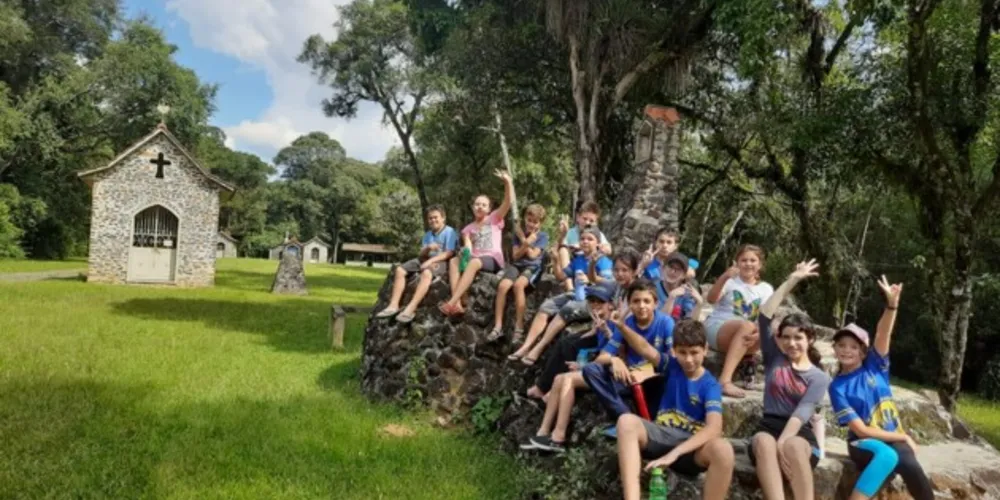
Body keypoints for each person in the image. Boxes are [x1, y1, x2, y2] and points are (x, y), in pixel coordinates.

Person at [829, 277, 933, 500]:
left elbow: (882, 333)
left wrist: (892, 305)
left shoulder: (875, 368)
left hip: (892, 438)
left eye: (853, 347)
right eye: (841, 345)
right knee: (890, 456)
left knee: (908, 463)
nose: (847, 350)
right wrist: (903, 437)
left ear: (863, 352)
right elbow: (861, 431)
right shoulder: (837, 386)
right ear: (835, 349)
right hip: (862, 444)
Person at [616, 320, 735, 500]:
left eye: (694, 352)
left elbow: (714, 428)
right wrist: (622, 326)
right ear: (674, 351)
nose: (688, 359)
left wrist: (675, 454)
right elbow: (644, 347)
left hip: (689, 449)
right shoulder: (671, 366)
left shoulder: (710, 385)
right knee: (626, 421)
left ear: (705, 349)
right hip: (661, 435)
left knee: (723, 449)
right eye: (682, 353)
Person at [747, 258, 829, 500]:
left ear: (810, 339)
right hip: (768, 425)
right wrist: (792, 280)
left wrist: (783, 441)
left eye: (798, 337)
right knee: (762, 441)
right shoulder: (775, 357)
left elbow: (802, 413)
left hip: (800, 434)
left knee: (792, 445)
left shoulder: (819, 377)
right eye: (786, 337)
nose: (791, 343)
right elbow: (764, 315)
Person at [517, 283, 620, 453]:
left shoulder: (615, 323)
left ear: (611, 304)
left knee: (566, 379)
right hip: (597, 365)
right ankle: (542, 433)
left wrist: (584, 365)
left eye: (599, 302)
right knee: (559, 377)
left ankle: (558, 438)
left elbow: (612, 354)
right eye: (592, 301)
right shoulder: (600, 321)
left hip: (607, 371)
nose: (594, 305)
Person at [524, 251, 640, 400]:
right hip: (605, 329)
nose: (620, 274)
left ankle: (556, 389)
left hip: (617, 338)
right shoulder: (617, 285)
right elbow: (594, 279)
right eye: (616, 270)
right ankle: (543, 386)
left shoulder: (636, 292)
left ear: (634, 271)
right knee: (567, 341)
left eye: (625, 270)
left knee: (572, 346)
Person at [581, 279, 674, 435]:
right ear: (629, 304)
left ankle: (640, 424)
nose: (641, 306)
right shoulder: (626, 324)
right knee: (591, 370)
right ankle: (625, 417)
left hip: (656, 379)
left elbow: (673, 360)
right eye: (636, 301)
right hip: (630, 377)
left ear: (655, 303)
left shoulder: (665, 322)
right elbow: (601, 358)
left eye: (646, 301)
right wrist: (614, 359)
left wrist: (651, 372)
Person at [509, 226, 613, 364]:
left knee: (567, 309)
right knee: (546, 306)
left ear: (598, 243)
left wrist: (591, 279)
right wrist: (556, 260)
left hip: (593, 301)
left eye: (590, 239)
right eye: (582, 238)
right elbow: (560, 276)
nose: (585, 241)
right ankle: (526, 346)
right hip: (576, 295)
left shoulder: (603, 261)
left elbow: (610, 283)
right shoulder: (579, 259)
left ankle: (538, 349)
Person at [704, 244, 774, 398]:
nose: (748, 264)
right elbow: (711, 299)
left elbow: (766, 317)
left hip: (745, 335)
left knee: (773, 330)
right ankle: (724, 381)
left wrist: (760, 335)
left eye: (752, 260)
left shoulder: (766, 288)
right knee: (747, 325)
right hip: (718, 328)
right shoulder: (730, 282)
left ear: (760, 264)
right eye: (744, 260)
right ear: (737, 262)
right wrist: (724, 276)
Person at [439, 170, 513, 316]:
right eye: (477, 204)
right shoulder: (468, 228)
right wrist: (465, 254)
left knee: (474, 262)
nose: (479, 207)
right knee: (454, 260)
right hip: (475, 258)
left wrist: (507, 182)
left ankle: (452, 302)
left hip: (492, 259)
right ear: (473, 207)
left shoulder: (494, 218)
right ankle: (458, 304)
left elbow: (508, 202)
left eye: (483, 205)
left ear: (489, 208)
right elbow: (468, 246)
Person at [375, 205, 458, 323]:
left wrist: (430, 261)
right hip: (425, 259)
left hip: (441, 262)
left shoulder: (450, 232)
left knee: (427, 273)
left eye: (436, 217)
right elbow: (421, 254)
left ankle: (411, 308)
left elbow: (449, 253)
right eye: (430, 218)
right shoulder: (428, 235)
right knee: (400, 270)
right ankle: (393, 305)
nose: (433, 220)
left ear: (443, 218)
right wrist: (428, 248)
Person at [489, 204, 549, 341]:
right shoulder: (519, 234)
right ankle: (498, 326)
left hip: (532, 267)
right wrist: (525, 241)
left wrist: (524, 241)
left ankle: (519, 326)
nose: (531, 224)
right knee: (503, 286)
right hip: (517, 265)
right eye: (529, 220)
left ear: (540, 223)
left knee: (518, 285)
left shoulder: (543, 236)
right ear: (525, 219)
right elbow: (515, 256)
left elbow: (533, 256)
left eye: (535, 222)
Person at [557, 202, 613, 290]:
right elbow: (559, 246)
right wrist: (563, 236)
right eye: (585, 218)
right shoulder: (570, 232)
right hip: (574, 260)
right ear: (578, 218)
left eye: (591, 221)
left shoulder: (596, 233)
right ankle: (570, 287)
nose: (587, 222)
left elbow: (609, 249)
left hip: (591, 259)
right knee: (562, 250)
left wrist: (598, 248)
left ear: (596, 222)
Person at [659, 251, 703, 321]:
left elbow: (690, 324)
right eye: (671, 267)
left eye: (678, 269)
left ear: (684, 275)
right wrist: (672, 297)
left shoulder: (687, 294)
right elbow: (659, 322)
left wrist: (699, 304)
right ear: (663, 268)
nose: (673, 272)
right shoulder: (652, 287)